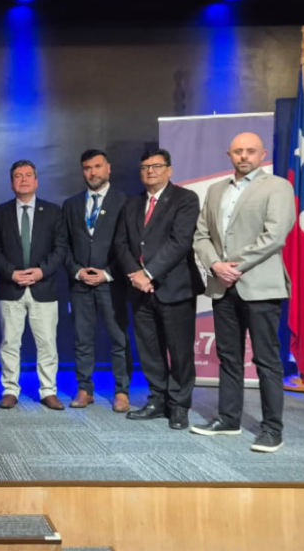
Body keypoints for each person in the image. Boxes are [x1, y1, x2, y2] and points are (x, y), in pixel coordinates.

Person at [192, 132, 296, 453]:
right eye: (238, 151)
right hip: (222, 285)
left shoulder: (277, 186)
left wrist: (233, 265)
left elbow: (275, 235)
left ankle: (271, 429)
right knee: (229, 358)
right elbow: (201, 235)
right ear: (229, 154)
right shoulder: (215, 190)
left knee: (266, 360)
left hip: (259, 285)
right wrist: (215, 265)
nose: (244, 156)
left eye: (250, 151)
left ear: (262, 154)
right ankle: (228, 420)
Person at [113, 149, 203, 430]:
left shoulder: (185, 199)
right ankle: (157, 399)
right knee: (149, 349)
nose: (150, 171)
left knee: (179, 351)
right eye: (145, 167)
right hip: (140, 290)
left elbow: (180, 242)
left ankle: (179, 405)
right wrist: (136, 276)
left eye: (157, 166)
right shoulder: (131, 203)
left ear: (169, 170)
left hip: (175, 288)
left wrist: (149, 273)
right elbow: (121, 244)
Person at [0, 160, 67, 410]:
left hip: (43, 288)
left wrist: (41, 271)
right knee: (9, 343)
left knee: (47, 343)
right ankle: (10, 389)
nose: (23, 180)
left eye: (28, 175)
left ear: (36, 181)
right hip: (11, 288)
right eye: (17, 176)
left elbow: (60, 249)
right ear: (11, 183)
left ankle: (48, 391)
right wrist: (11, 273)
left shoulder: (54, 212)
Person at [62, 149, 132, 412]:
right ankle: (84, 389)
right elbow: (63, 245)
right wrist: (77, 271)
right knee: (82, 339)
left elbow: (129, 245)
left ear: (108, 169)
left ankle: (122, 392)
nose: (93, 172)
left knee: (118, 338)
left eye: (98, 166)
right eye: (87, 168)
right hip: (80, 284)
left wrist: (108, 272)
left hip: (112, 283)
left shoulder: (124, 202)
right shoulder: (71, 204)